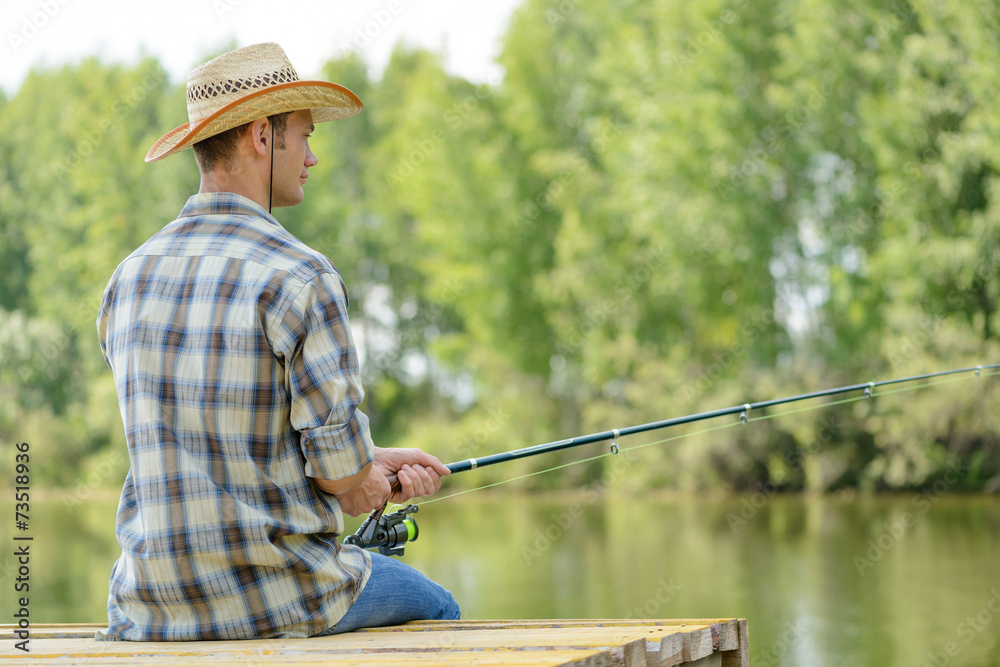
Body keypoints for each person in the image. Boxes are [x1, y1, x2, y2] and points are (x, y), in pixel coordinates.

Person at [95, 42, 460, 641]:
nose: (311, 157)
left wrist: (369, 464)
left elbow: (217, 441)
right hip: (281, 594)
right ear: (262, 137)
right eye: (304, 136)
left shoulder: (127, 278)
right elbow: (342, 479)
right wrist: (365, 479)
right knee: (440, 610)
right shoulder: (300, 275)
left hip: (146, 605)